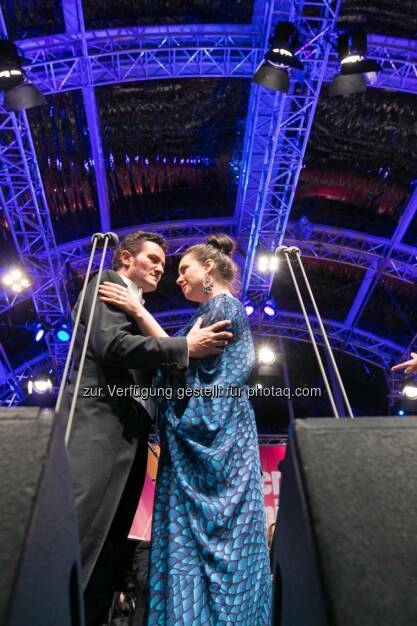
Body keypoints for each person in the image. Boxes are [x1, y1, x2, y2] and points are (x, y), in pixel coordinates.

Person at [98, 233, 272, 625]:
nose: (176, 279)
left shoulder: (222, 306)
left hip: (220, 448)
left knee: (209, 556)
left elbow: (187, 371)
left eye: (184, 269)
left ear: (208, 268)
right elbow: (183, 359)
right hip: (221, 447)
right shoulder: (209, 312)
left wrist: (139, 313)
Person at [62, 231, 233, 626]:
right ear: (125, 258)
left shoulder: (135, 304)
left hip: (131, 436)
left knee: (109, 548)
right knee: (83, 536)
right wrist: (184, 347)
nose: (161, 267)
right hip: (100, 430)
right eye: (153, 259)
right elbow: (112, 346)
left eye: (164, 262)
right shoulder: (106, 283)